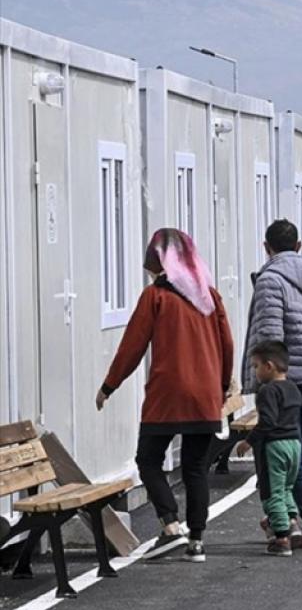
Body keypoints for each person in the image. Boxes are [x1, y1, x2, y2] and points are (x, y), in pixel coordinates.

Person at [97, 228, 234, 563]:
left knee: (148, 459)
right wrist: (222, 384)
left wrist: (109, 386)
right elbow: (226, 343)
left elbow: (133, 344)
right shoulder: (209, 296)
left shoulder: (155, 297)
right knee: (196, 467)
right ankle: (197, 542)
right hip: (204, 395)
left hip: (166, 394)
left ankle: (171, 526)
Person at [242, 219, 302, 551]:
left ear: (266, 247)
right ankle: (290, 519)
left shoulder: (271, 279)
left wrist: (264, 378)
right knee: (294, 449)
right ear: (299, 246)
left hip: (287, 377)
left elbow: (269, 334)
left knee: (284, 453)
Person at [235, 341, 302, 557]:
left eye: (256, 366)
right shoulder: (293, 388)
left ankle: (281, 537)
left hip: (274, 446)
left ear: (269, 366)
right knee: (287, 487)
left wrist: (249, 441)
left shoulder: (267, 391)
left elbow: (268, 421)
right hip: (294, 444)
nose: (254, 372)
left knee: (272, 491)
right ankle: (291, 521)